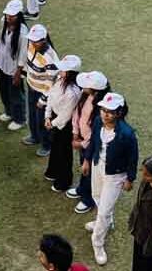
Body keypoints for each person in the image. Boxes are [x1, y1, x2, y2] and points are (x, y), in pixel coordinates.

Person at [83, 92, 139, 266]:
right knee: (97, 196)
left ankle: (97, 243)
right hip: (97, 165)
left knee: (104, 211)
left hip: (115, 174)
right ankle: (106, 221)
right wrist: (87, 160)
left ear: (119, 112)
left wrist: (130, 179)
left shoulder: (127, 134)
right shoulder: (98, 122)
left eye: (110, 111)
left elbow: (133, 158)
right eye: (103, 110)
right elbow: (93, 142)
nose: (105, 114)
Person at [66, 71, 111, 214]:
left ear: (95, 89)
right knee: (84, 167)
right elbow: (77, 114)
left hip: (92, 145)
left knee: (90, 172)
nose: (82, 86)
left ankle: (88, 199)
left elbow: (96, 134)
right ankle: (81, 189)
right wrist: (75, 133)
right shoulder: (85, 95)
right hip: (81, 139)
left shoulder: (102, 109)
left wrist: (82, 143)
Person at [44, 54, 82, 193]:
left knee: (64, 152)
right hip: (55, 118)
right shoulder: (59, 80)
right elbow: (50, 97)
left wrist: (52, 123)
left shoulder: (73, 92)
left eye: (63, 70)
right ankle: (53, 171)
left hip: (65, 125)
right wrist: (47, 116)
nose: (60, 71)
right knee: (55, 147)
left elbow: (66, 115)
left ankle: (64, 181)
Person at [22, 24, 59, 157]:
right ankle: (35, 136)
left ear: (43, 40)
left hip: (42, 93)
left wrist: (43, 99)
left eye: (35, 40)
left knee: (42, 119)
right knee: (32, 114)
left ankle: (46, 145)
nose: (32, 42)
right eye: (31, 39)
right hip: (32, 86)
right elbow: (29, 63)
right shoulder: (31, 46)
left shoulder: (49, 56)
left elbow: (53, 80)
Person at [0, 0, 27, 131]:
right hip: (3, 63)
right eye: (7, 15)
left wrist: (18, 73)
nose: (8, 18)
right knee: (3, 90)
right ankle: (9, 112)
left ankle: (20, 119)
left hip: (14, 68)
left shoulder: (23, 33)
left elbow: (23, 55)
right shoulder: (4, 21)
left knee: (16, 95)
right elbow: (0, 40)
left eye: (12, 16)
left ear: (19, 15)